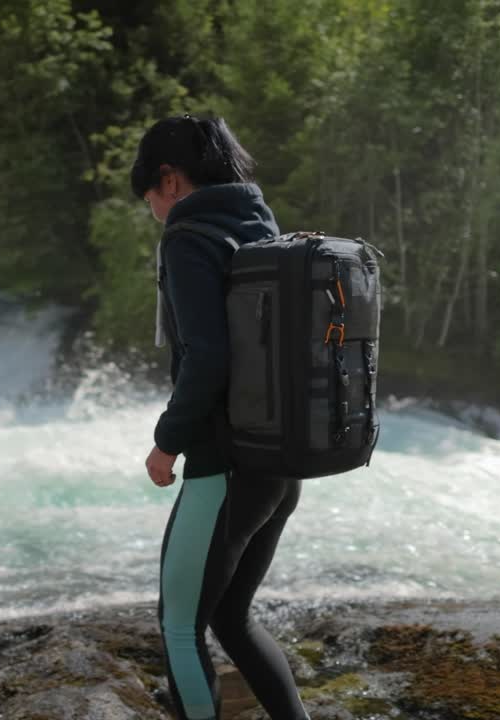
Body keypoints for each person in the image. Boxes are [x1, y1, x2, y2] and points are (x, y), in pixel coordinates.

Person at [133, 115, 309, 720]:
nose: (153, 208)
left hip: (225, 466)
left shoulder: (188, 238)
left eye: (149, 195)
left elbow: (206, 357)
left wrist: (167, 443)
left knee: (179, 627)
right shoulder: (257, 224)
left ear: (170, 179)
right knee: (231, 618)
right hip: (279, 464)